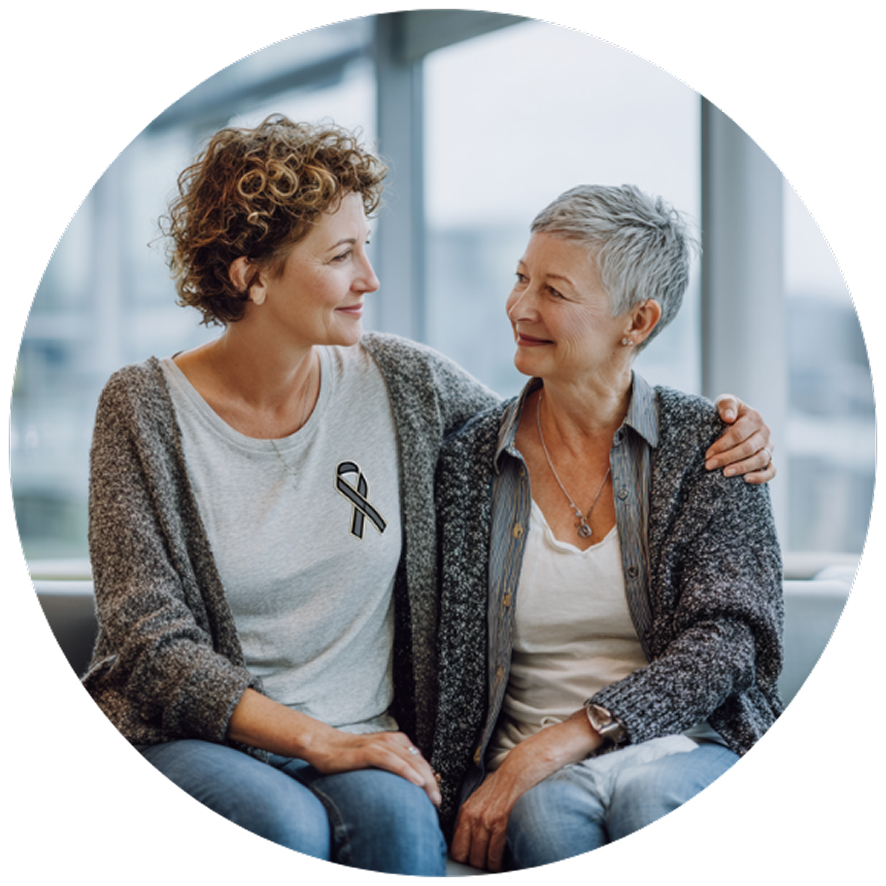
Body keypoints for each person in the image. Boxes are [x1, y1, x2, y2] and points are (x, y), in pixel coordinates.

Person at [81, 116, 773, 874]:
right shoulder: (144, 409)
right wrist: (321, 740)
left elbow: (555, 419)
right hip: (210, 736)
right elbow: (148, 643)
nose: (370, 279)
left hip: (371, 738)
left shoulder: (403, 383)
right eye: (342, 255)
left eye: (365, 248)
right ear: (252, 273)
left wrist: (739, 429)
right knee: (289, 827)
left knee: (407, 833)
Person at [431, 184, 783, 872]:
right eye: (521, 278)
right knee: (547, 816)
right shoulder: (469, 458)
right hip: (528, 775)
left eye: (555, 292)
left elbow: (729, 640)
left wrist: (572, 734)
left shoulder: (709, 446)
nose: (520, 307)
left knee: (649, 798)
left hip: (685, 745)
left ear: (638, 321)